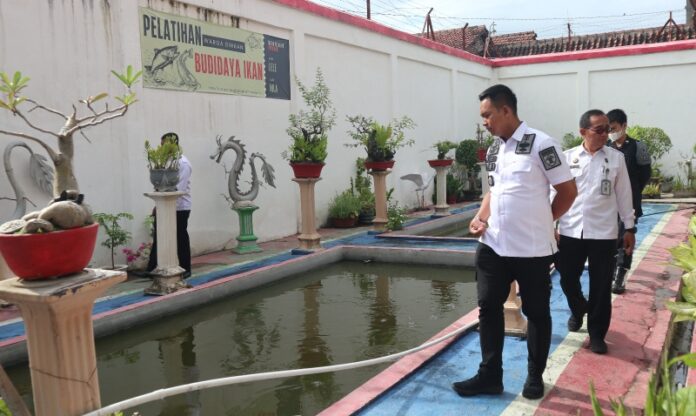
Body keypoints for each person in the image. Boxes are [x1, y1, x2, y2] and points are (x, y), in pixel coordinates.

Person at [452, 84, 577, 400]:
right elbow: (494, 191)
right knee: (488, 308)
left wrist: (545, 220)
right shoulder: (494, 150)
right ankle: (489, 376)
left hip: (531, 249)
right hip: (494, 245)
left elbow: (567, 191)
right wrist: (480, 217)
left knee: (537, 312)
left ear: (506, 110)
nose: (484, 122)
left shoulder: (542, 144)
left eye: (487, 115)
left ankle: (534, 375)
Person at [557, 109, 635, 355]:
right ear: (583, 132)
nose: (605, 134)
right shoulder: (567, 158)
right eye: (599, 130)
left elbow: (624, 195)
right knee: (567, 277)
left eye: (607, 129)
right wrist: (551, 223)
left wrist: (629, 227)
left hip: (604, 232)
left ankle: (597, 334)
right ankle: (578, 307)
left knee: (601, 285)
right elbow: (554, 193)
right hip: (570, 230)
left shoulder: (616, 159)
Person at [607, 109, 651, 294]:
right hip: (607, 204)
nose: (611, 132)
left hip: (629, 203)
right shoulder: (605, 147)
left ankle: (621, 275)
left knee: (625, 238)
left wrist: (632, 193)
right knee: (609, 240)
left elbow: (645, 175)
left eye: (614, 128)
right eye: (608, 129)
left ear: (624, 126)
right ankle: (609, 272)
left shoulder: (637, 147)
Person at [147, 132, 193, 278]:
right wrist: (158, 205)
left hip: (180, 207)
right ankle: (152, 268)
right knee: (159, 235)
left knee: (180, 237)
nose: (161, 149)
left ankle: (186, 268)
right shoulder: (167, 161)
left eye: (164, 145)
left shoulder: (183, 163)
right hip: (165, 205)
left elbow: (179, 189)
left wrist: (165, 205)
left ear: (172, 145)